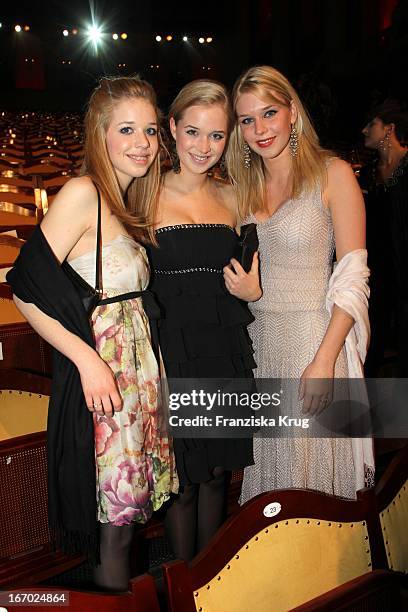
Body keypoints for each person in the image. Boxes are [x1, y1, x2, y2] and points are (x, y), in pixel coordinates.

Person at [7, 76, 178, 591]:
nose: (142, 143)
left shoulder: (127, 202)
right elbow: (23, 287)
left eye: (149, 130)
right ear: (99, 133)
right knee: (116, 525)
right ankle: (113, 602)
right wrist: (88, 361)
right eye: (127, 129)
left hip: (139, 375)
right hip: (106, 376)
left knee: (130, 520)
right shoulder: (83, 193)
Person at [225, 65, 375, 503]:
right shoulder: (242, 187)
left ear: (292, 110)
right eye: (247, 120)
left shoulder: (333, 173)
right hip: (261, 344)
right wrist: (249, 293)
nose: (259, 129)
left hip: (313, 342)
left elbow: (353, 276)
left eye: (269, 113)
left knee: (311, 484)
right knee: (272, 477)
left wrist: (325, 361)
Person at [146, 80, 260, 561]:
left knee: (217, 478)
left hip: (224, 349)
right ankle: (181, 584)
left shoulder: (236, 198)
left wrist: (255, 290)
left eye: (216, 136)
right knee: (185, 483)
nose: (204, 147)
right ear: (171, 128)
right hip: (172, 351)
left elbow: (255, 274)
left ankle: (211, 582)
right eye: (193, 132)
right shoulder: (141, 196)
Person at [360, 100, 408, 377]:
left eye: (371, 124)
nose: (364, 129)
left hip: (404, 272)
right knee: (371, 343)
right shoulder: (367, 175)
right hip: (375, 275)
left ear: (389, 129)